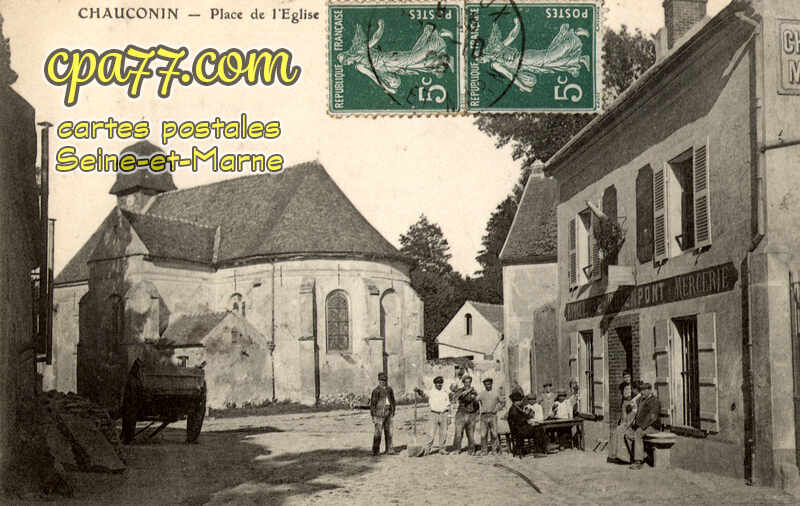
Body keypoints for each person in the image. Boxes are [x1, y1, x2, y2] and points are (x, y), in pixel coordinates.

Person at [625, 382, 660, 469]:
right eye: (641, 390)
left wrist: (641, 426)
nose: (642, 392)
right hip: (643, 425)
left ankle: (638, 462)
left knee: (638, 433)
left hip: (652, 427)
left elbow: (652, 417)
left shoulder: (654, 401)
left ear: (649, 391)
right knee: (627, 434)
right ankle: (642, 455)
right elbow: (634, 409)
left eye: (644, 390)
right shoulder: (642, 400)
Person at [414, 376, 450, 455]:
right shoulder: (431, 392)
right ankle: (427, 449)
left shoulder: (445, 393)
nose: (439, 385)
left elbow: (448, 405)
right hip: (434, 414)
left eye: (441, 383)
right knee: (431, 433)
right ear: (435, 384)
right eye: (438, 383)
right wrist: (418, 390)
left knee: (443, 433)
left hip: (444, 414)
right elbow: (423, 394)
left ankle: (442, 449)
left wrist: (449, 416)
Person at [507, 391, 547, 456]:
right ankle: (539, 451)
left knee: (538, 427)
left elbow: (522, 419)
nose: (521, 402)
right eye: (520, 400)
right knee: (538, 429)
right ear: (515, 401)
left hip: (520, 430)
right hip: (519, 432)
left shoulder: (516, 408)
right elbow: (520, 421)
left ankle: (542, 448)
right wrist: (529, 421)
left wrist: (528, 420)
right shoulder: (514, 410)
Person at [608, 383, 636, 463]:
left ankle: (626, 457)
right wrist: (622, 423)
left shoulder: (633, 401)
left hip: (631, 424)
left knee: (620, 430)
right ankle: (617, 455)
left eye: (628, 389)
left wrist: (626, 424)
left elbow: (633, 415)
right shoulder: (624, 401)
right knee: (616, 431)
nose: (626, 391)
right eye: (625, 390)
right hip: (626, 422)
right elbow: (623, 416)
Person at [369, 372, 396, 456]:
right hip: (379, 414)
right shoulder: (376, 391)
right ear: (379, 380)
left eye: (384, 380)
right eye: (381, 380)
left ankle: (389, 449)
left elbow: (393, 401)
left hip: (388, 413)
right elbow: (372, 404)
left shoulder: (389, 389)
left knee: (389, 432)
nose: (383, 382)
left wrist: (393, 410)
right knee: (378, 433)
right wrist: (373, 416)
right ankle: (376, 451)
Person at [452, 374, 479, 454]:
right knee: (458, 433)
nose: (467, 384)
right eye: (466, 382)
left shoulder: (474, 391)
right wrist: (467, 391)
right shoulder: (460, 390)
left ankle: (471, 450)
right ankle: (457, 449)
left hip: (471, 414)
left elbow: (477, 404)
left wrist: (475, 399)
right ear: (463, 383)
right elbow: (457, 396)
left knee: (470, 433)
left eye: (469, 382)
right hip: (461, 414)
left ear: (471, 382)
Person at [477, 377, 505, 455]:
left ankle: (494, 450)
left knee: (494, 434)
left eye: (489, 384)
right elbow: (475, 400)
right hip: (484, 416)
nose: (488, 386)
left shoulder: (496, 393)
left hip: (493, 415)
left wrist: (497, 408)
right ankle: (484, 450)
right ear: (484, 385)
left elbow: (503, 402)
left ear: (491, 384)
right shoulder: (482, 393)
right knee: (483, 434)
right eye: (486, 384)